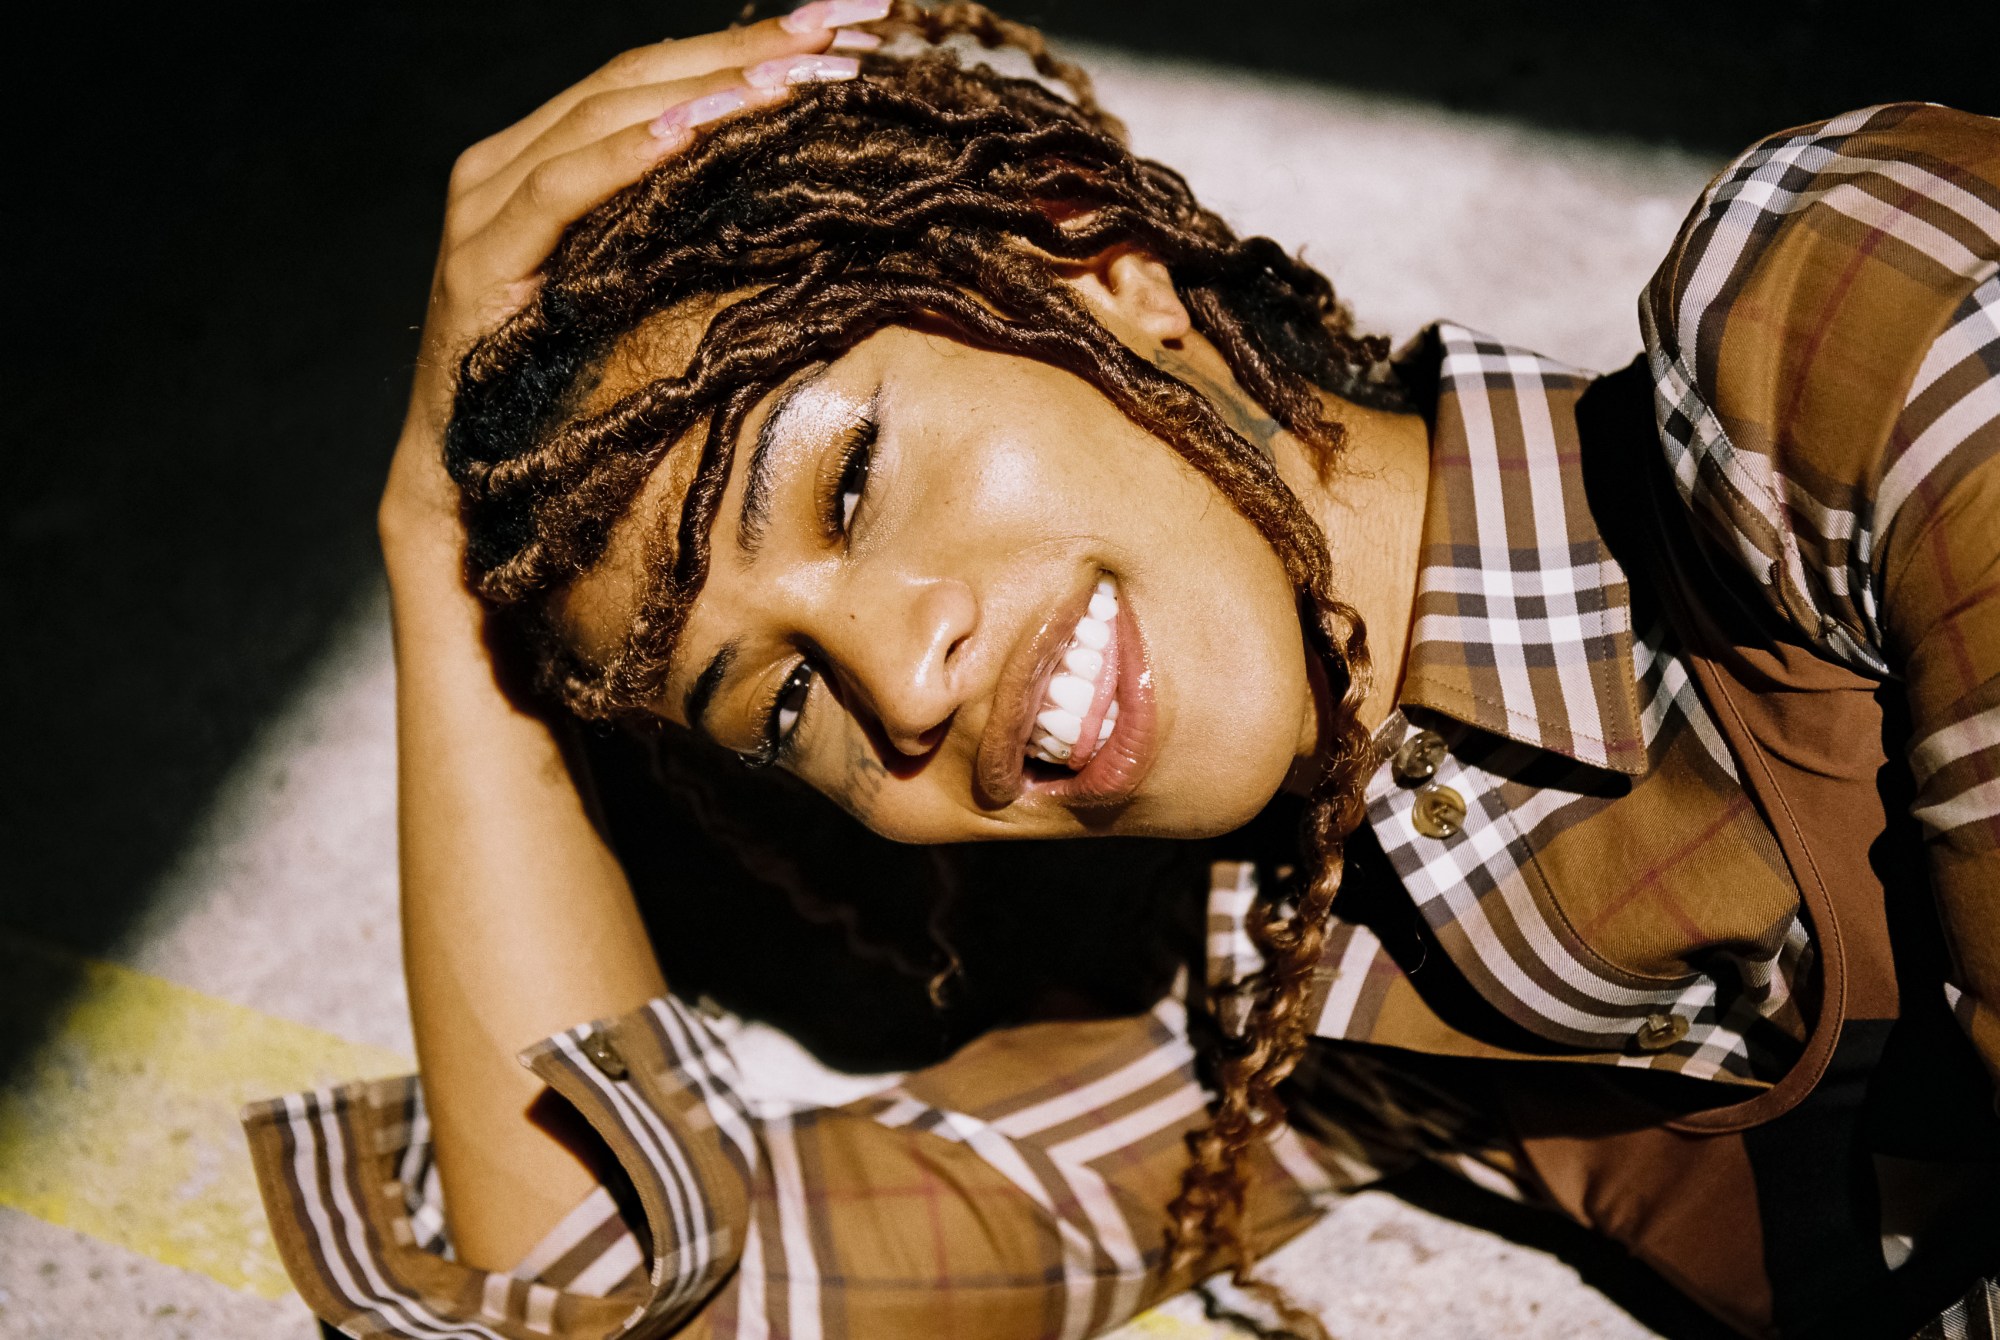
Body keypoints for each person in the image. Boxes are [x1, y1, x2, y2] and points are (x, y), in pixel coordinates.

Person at [241, 4, 2000, 1336]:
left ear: (1097, 262)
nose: (895, 688)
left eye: (851, 482)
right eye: (783, 710)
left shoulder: (1848, 342)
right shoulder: (1285, 1000)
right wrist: (428, 544)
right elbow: (601, 1281)